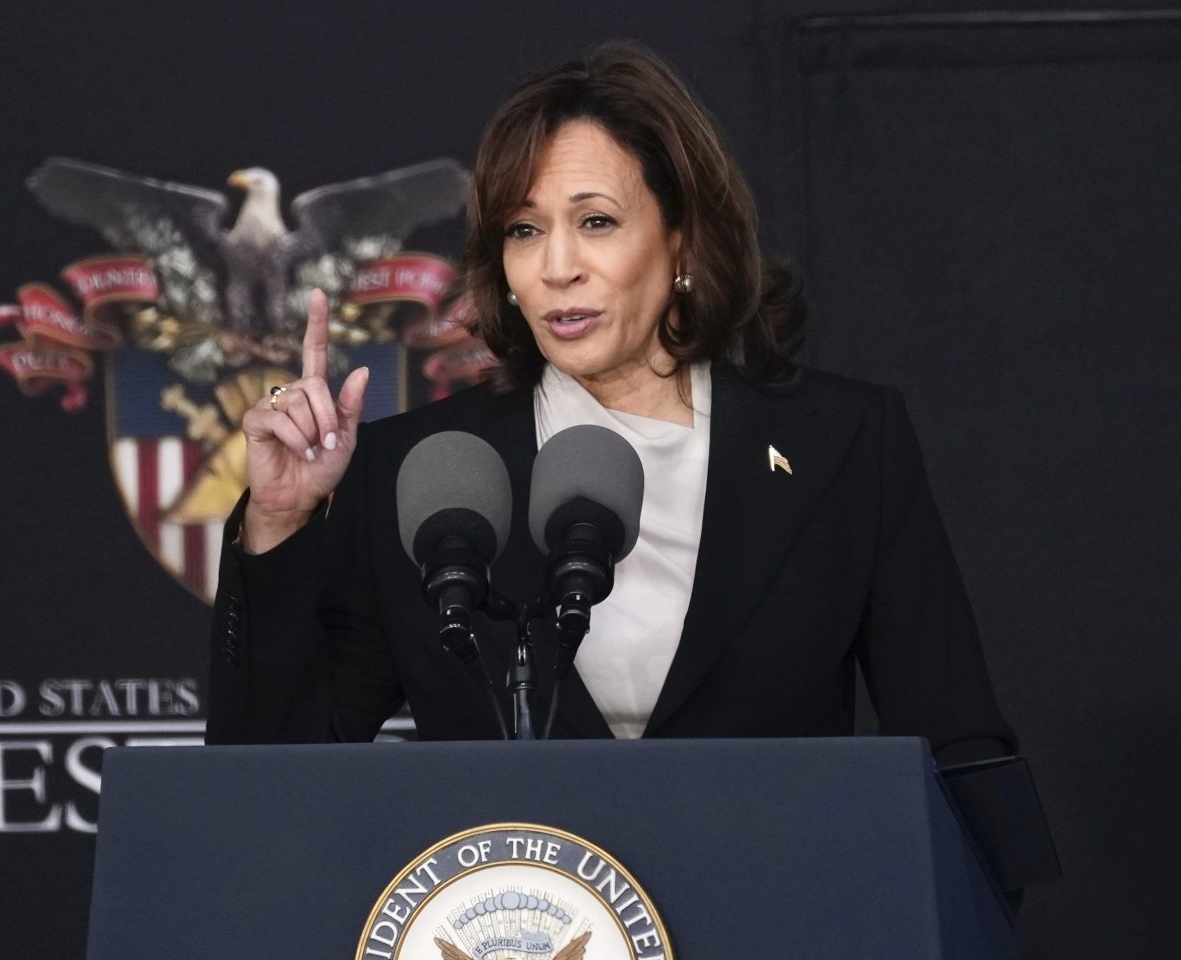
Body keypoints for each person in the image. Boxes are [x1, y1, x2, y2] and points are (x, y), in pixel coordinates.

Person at [205, 41, 1015, 765]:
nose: (558, 268)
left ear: (683, 239)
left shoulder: (847, 444)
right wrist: (278, 526)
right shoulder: (419, 472)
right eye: (524, 231)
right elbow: (274, 777)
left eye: (596, 221)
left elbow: (959, 746)